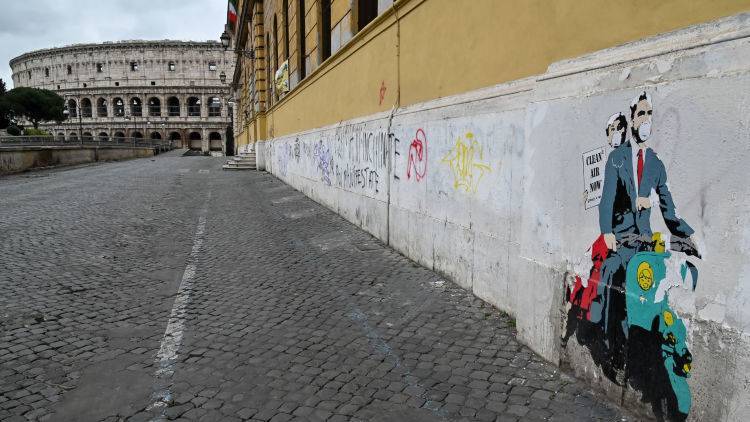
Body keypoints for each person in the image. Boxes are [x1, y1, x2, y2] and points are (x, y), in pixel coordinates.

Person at [591, 92, 695, 342]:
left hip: (645, 241)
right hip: (622, 239)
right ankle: (608, 339)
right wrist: (607, 232)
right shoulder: (618, 158)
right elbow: (607, 199)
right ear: (632, 118)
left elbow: (669, 206)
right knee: (612, 272)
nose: (645, 119)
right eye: (641, 114)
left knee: (659, 285)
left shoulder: (656, 164)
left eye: (649, 114)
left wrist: (688, 236)